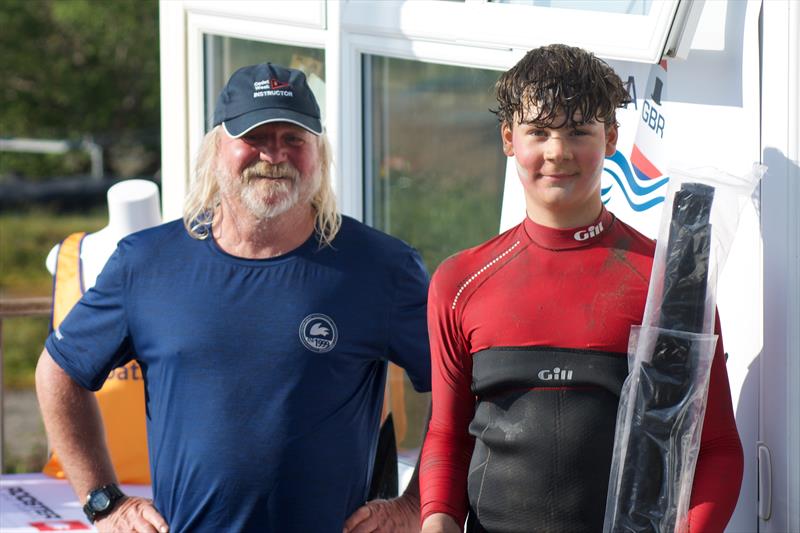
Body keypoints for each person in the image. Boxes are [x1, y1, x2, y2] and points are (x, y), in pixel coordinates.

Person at [36, 62, 430, 533]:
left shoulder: (380, 267)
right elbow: (58, 372)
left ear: (318, 154)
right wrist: (104, 502)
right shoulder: (147, 263)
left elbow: (464, 388)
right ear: (216, 148)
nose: (274, 154)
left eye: (293, 139)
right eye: (256, 137)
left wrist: (417, 502)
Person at [419, 44, 743, 533]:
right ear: (509, 138)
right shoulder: (460, 282)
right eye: (539, 131)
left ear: (610, 138)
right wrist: (436, 522)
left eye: (578, 131)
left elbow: (716, 447)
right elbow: (446, 435)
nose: (558, 152)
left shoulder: (668, 279)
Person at [42, 179, 161, 485]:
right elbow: (52, 375)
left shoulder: (196, 251)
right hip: (80, 481)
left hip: (176, 478)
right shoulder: (66, 257)